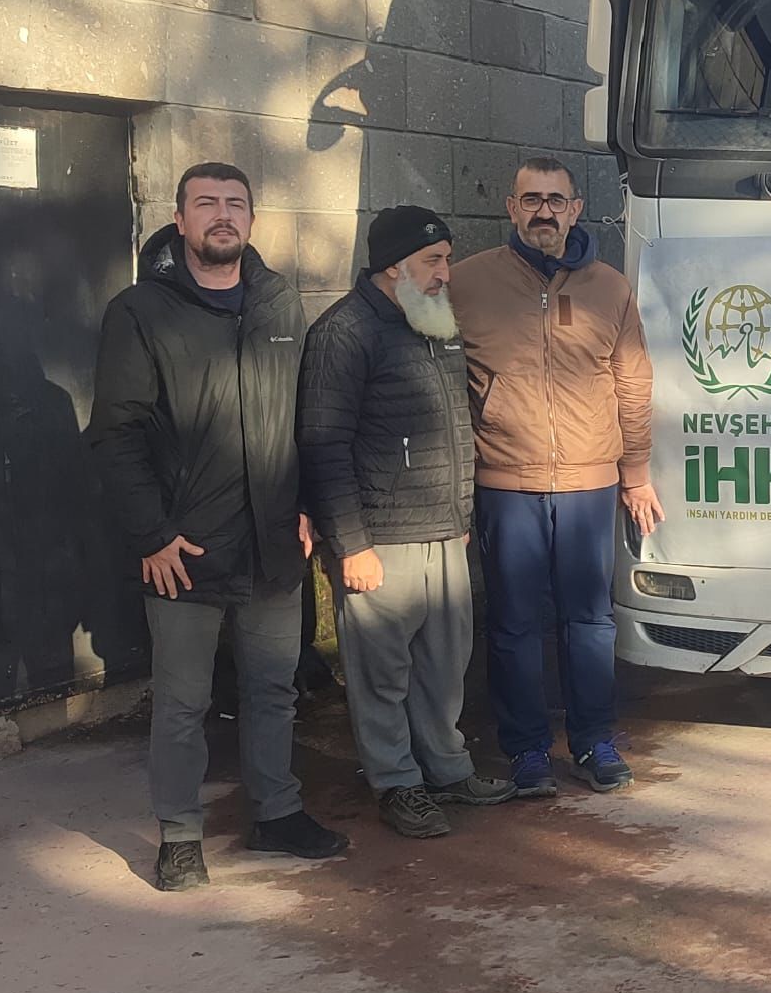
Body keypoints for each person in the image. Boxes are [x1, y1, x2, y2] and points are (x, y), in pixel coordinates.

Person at [88, 163, 348, 891]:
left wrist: (306, 509)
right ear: (180, 219)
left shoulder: (277, 306)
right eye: (207, 204)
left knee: (275, 688)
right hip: (185, 550)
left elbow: (306, 421)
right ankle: (178, 834)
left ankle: (276, 811)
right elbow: (116, 434)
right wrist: (150, 534)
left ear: (253, 221)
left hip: (271, 545)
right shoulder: (140, 311)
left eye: (236, 204)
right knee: (183, 701)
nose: (222, 215)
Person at [298, 207, 516, 838]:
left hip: (444, 529)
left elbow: (453, 424)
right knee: (383, 672)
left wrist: (461, 513)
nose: (445, 272)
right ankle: (396, 781)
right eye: (432, 261)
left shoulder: (433, 323)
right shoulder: (344, 332)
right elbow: (323, 444)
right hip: (380, 539)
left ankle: (447, 768)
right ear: (392, 266)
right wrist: (351, 545)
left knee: (445, 664)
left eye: (446, 258)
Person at [448, 158, 659, 797]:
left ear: (575, 208)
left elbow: (633, 381)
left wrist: (636, 472)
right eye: (531, 200)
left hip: (589, 484)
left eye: (556, 200)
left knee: (590, 620)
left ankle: (595, 742)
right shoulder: (464, 283)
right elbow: (424, 369)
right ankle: (527, 752)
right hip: (505, 483)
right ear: (511, 209)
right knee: (512, 624)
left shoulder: (609, 288)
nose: (544, 211)